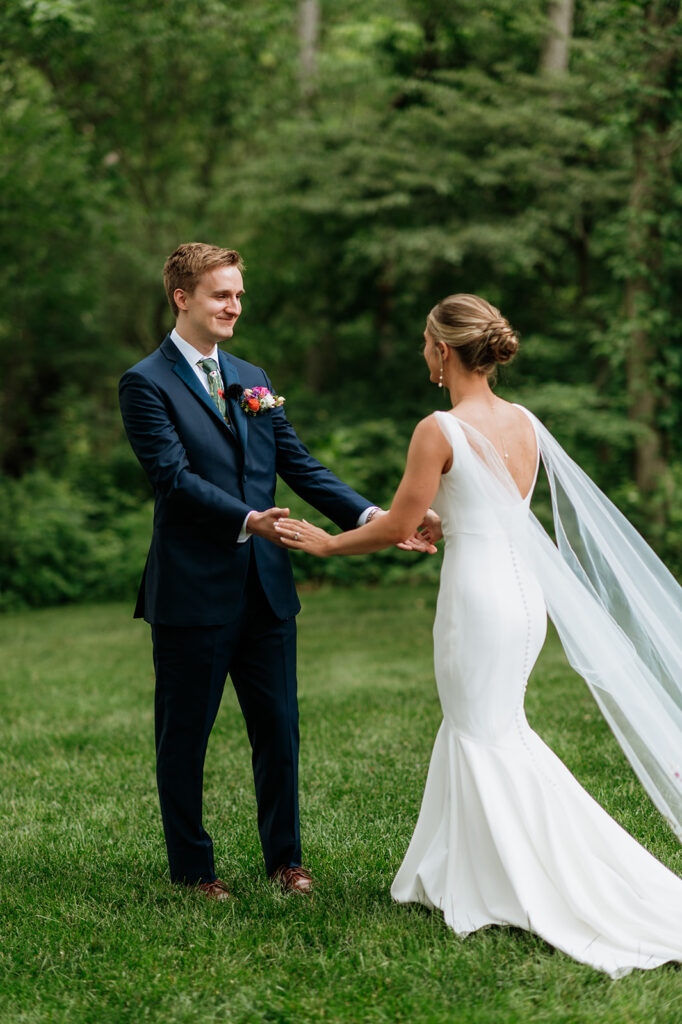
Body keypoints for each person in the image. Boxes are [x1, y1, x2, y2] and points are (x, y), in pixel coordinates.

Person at [275, 292, 682, 977]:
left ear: (441, 351)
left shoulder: (438, 427)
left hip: (478, 596)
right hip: (524, 597)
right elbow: (478, 504)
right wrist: (439, 516)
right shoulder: (524, 420)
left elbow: (396, 525)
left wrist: (325, 545)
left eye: (424, 344)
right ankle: (457, 873)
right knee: (489, 728)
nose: (423, 354)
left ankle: (540, 882)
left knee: (483, 731)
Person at [119, 243, 437, 901]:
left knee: (279, 734)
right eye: (220, 295)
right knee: (184, 740)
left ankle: (286, 862)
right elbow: (173, 480)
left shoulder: (251, 374)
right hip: (192, 591)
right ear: (182, 298)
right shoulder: (144, 382)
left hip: (267, 589)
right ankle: (194, 872)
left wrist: (377, 516)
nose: (234, 305)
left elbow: (299, 463)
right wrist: (248, 519)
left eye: (238, 294)